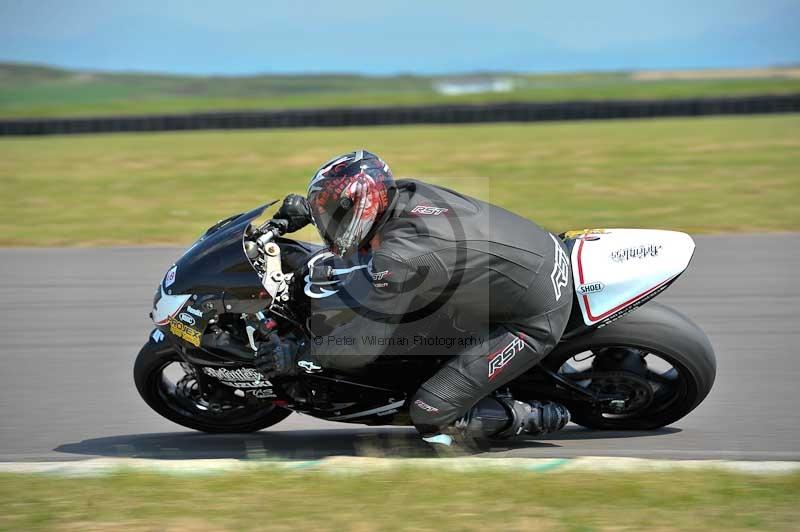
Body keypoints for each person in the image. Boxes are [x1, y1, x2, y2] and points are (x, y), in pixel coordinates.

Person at [257, 149, 572, 445]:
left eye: (331, 215)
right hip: (533, 258)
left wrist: (300, 355)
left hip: (533, 316)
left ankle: (529, 415)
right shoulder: (403, 194)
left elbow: (361, 347)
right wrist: (300, 217)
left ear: (362, 207)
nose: (328, 223)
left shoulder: (400, 258)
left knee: (430, 412)